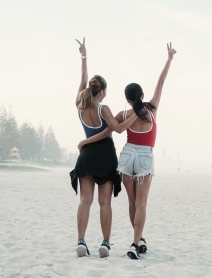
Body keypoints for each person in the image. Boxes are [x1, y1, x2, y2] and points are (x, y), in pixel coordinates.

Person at [78, 42, 177, 259]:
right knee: (141, 203)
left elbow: (115, 128)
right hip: (144, 156)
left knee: (132, 203)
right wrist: (169, 59)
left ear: (127, 99)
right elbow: (161, 82)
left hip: (126, 155)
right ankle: (135, 243)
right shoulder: (151, 109)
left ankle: (138, 240)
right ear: (141, 95)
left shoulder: (123, 114)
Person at [70, 38, 138, 258]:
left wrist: (83, 55)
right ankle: (105, 243)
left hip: (86, 156)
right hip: (105, 155)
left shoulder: (80, 105)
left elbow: (82, 78)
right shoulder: (103, 108)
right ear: (103, 92)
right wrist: (136, 113)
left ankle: (81, 241)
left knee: (85, 200)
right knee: (104, 202)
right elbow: (117, 129)